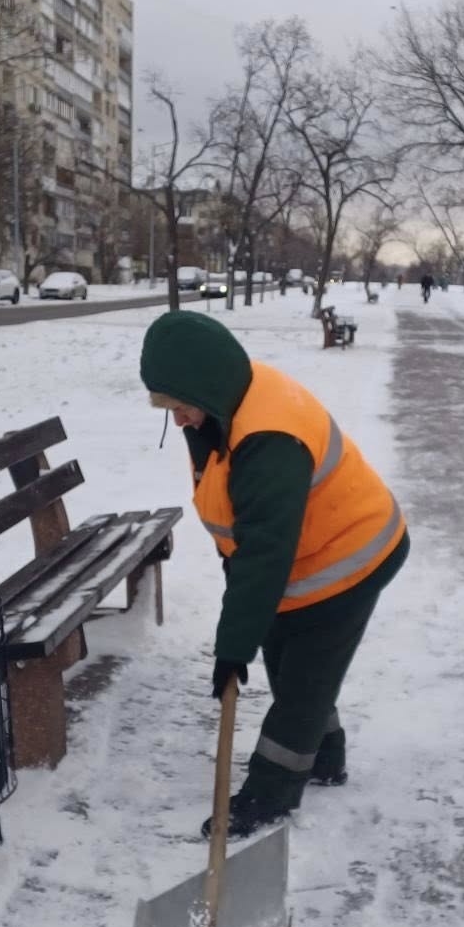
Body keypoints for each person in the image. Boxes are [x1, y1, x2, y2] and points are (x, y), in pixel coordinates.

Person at [140, 311, 410, 839]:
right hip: (304, 559)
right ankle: (325, 759)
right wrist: (244, 627)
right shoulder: (224, 399)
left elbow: (264, 553)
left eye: (181, 407)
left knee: (302, 682)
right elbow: (244, 534)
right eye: (168, 408)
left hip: (350, 559)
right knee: (291, 668)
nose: (179, 421)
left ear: (207, 385)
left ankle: (269, 796)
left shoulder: (269, 440)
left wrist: (232, 648)